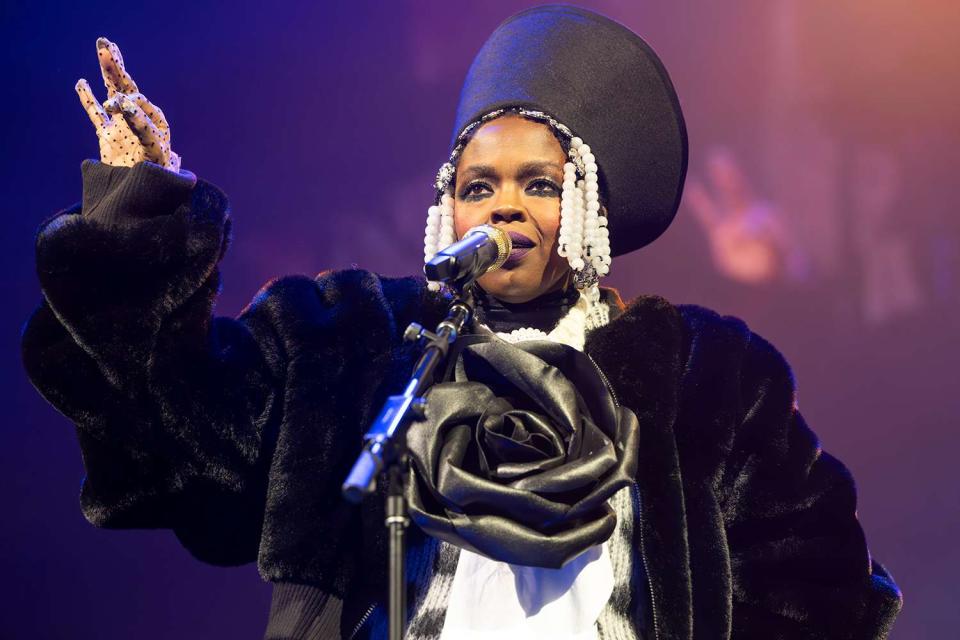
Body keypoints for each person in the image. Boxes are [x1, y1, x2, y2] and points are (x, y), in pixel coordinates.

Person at [21, 5, 901, 639]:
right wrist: (139, 208)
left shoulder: (706, 374)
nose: (503, 209)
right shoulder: (364, 339)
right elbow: (177, 423)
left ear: (590, 206)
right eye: (479, 185)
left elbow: (815, 584)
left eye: (540, 184)